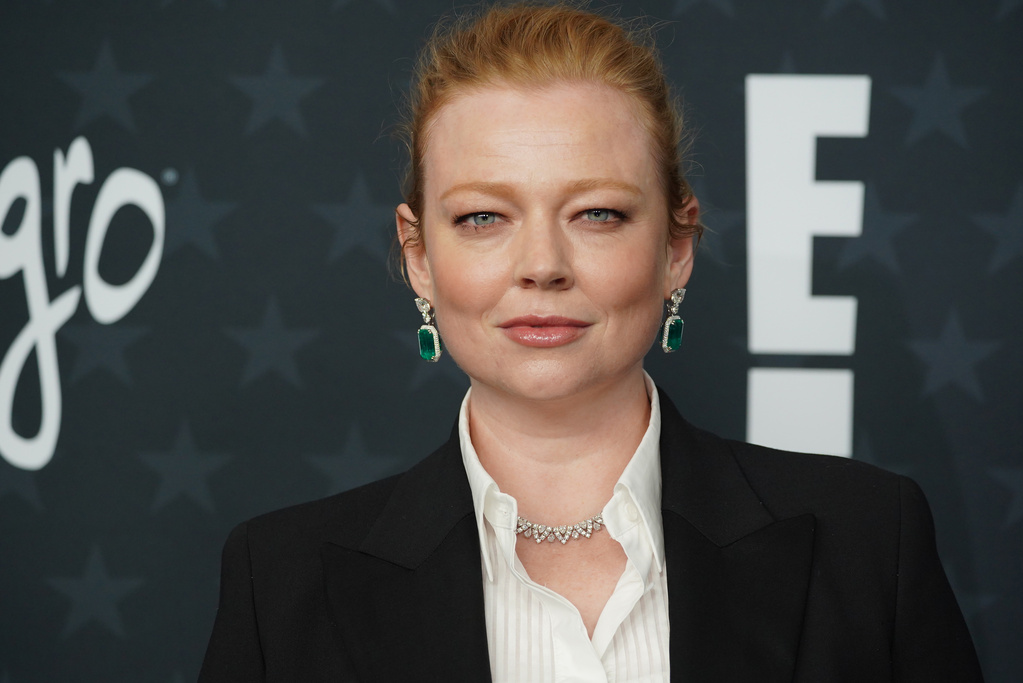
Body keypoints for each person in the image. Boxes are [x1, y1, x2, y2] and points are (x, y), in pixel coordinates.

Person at [198, 3, 983, 681]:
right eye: (483, 217)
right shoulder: (281, 584)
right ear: (418, 257)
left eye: (597, 214)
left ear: (678, 246)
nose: (542, 266)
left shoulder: (870, 543)